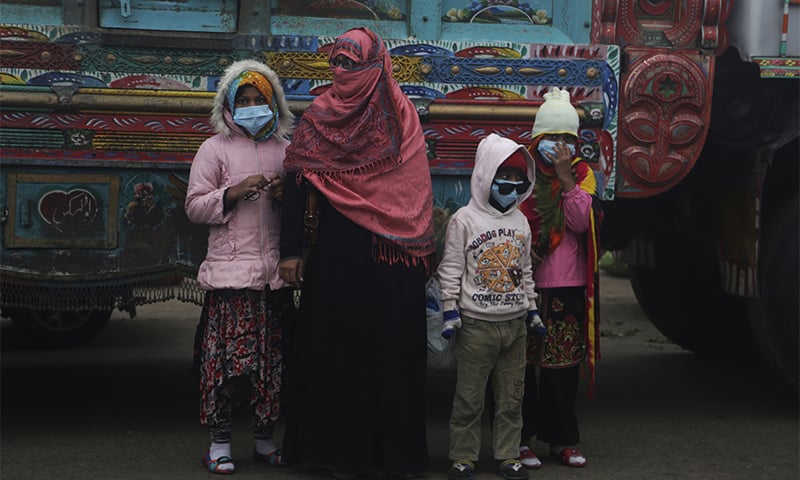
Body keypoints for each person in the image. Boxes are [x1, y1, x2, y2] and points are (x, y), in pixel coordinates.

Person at [277, 27, 436, 478]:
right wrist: (291, 251)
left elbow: (415, 191)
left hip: (392, 262)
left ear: (376, 65)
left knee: (392, 358)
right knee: (340, 356)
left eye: (352, 63)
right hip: (336, 260)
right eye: (337, 62)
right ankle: (339, 455)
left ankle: (396, 456)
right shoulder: (319, 117)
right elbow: (296, 181)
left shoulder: (403, 118)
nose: (341, 71)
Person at [185, 59, 296, 474]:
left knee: (272, 368)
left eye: (260, 100)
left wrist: (289, 196)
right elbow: (195, 206)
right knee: (226, 368)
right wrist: (231, 193)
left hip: (273, 280)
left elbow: (304, 213)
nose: (252, 106)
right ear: (229, 104)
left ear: (274, 104)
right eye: (244, 99)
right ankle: (219, 444)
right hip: (231, 281)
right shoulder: (213, 148)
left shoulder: (286, 150)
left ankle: (265, 441)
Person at [437, 133, 541, 480]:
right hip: (476, 326)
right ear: (485, 177)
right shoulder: (464, 220)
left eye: (517, 181)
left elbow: (525, 270)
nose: (510, 187)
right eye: (503, 179)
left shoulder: (520, 221)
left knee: (512, 398)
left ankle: (508, 455)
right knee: (469, 398)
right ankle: (463, 457)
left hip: (515, 327)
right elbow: (450, 269)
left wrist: (533, 310)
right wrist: (450, 311)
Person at [517, 86, 602, 470]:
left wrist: (567, 178)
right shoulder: (521, 171)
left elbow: (580, 223)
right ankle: (519, 441)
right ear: (537, 139)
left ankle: (562, 441)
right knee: (520, 368)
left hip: (565, 286)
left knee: (561, 369)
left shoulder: (583, 175)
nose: (559, 145)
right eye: (551, 138)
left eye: (567, 139)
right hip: (523, 286)